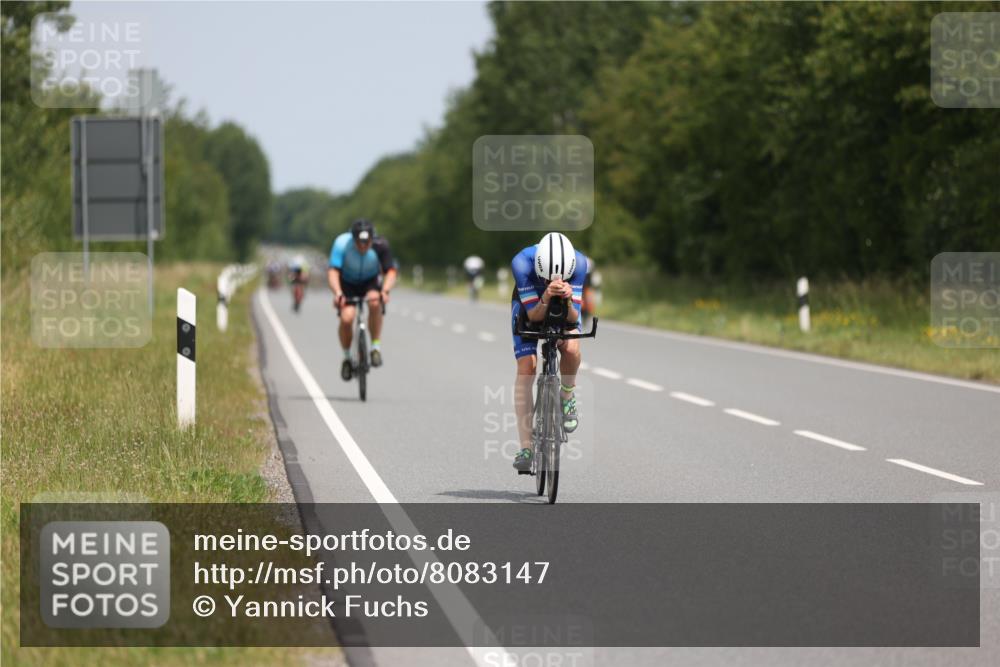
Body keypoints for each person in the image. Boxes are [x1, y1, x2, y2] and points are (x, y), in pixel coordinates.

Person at [509, 232, 588, 472]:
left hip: (562, 306)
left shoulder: (579, 263)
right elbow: (534, 316)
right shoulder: (521, 263)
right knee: (527, 367)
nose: (551, 281)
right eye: (546, 278)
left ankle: (567, 396)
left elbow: (573, 317)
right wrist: (545, 294)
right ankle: (526, 447)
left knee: (571, 348)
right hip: (530, 304)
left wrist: (568, 299)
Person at [327, 219, 397, 380]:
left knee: (374, 302)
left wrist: (385, 291)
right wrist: (338, 293)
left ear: (373, 238)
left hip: (370, 281)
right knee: (347, 318)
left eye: (367, 242)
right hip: (347, 282)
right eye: (359, 242)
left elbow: (391, 271)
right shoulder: (342, 244)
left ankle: (375, 348)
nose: (363, 246)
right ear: (353, 239)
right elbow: (333, 271)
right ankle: (346, 358)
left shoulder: (381, 245)